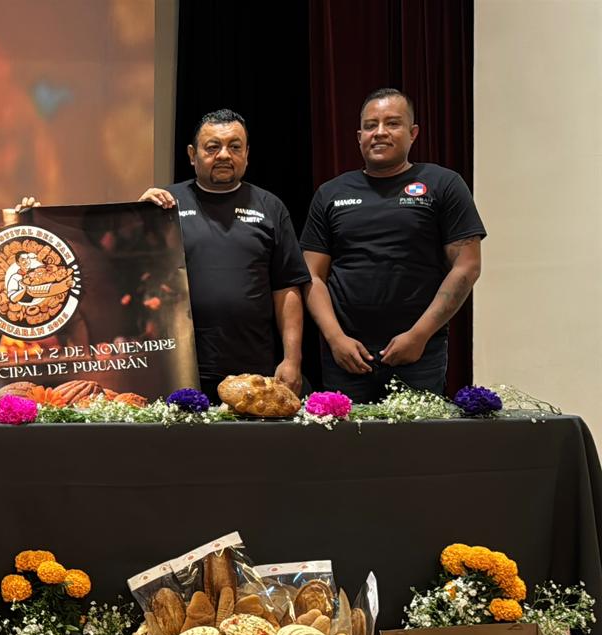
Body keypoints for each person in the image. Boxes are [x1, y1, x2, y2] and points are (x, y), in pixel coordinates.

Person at [301, 88, 485, 401]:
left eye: (392, 123)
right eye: (371, 125)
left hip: (419, 354)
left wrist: (419, 335)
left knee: (414, 449)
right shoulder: (330, 193)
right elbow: (311, 276)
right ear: (359, 136)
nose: (380, 132)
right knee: (346, 449)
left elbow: (467, 266)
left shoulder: (443, 184)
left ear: (413, 133)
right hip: (347, 356)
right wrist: (335, 339)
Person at [139, 109, 309, 399]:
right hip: (179, 367)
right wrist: (137, 216)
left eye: (234, 146)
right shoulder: (165, 205)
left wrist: (292, 359)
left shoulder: (271, 207)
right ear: (192, 155)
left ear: (247, 154)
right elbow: (132, 276)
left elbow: (287, 288)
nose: (224, 155)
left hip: (254, 368)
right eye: (212, 146)